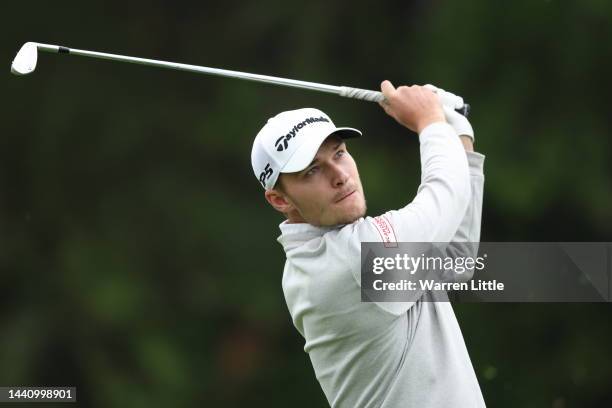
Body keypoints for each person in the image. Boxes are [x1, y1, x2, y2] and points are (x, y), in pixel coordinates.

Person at [250, 81, 486, 407]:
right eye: (312, 171)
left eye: (339, 154)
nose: (340, 175)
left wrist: (457, 130)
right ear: (279, 199)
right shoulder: (353, 259)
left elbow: (456, 261)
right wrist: (431, 122)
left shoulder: (318, 260)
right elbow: (444, 197)